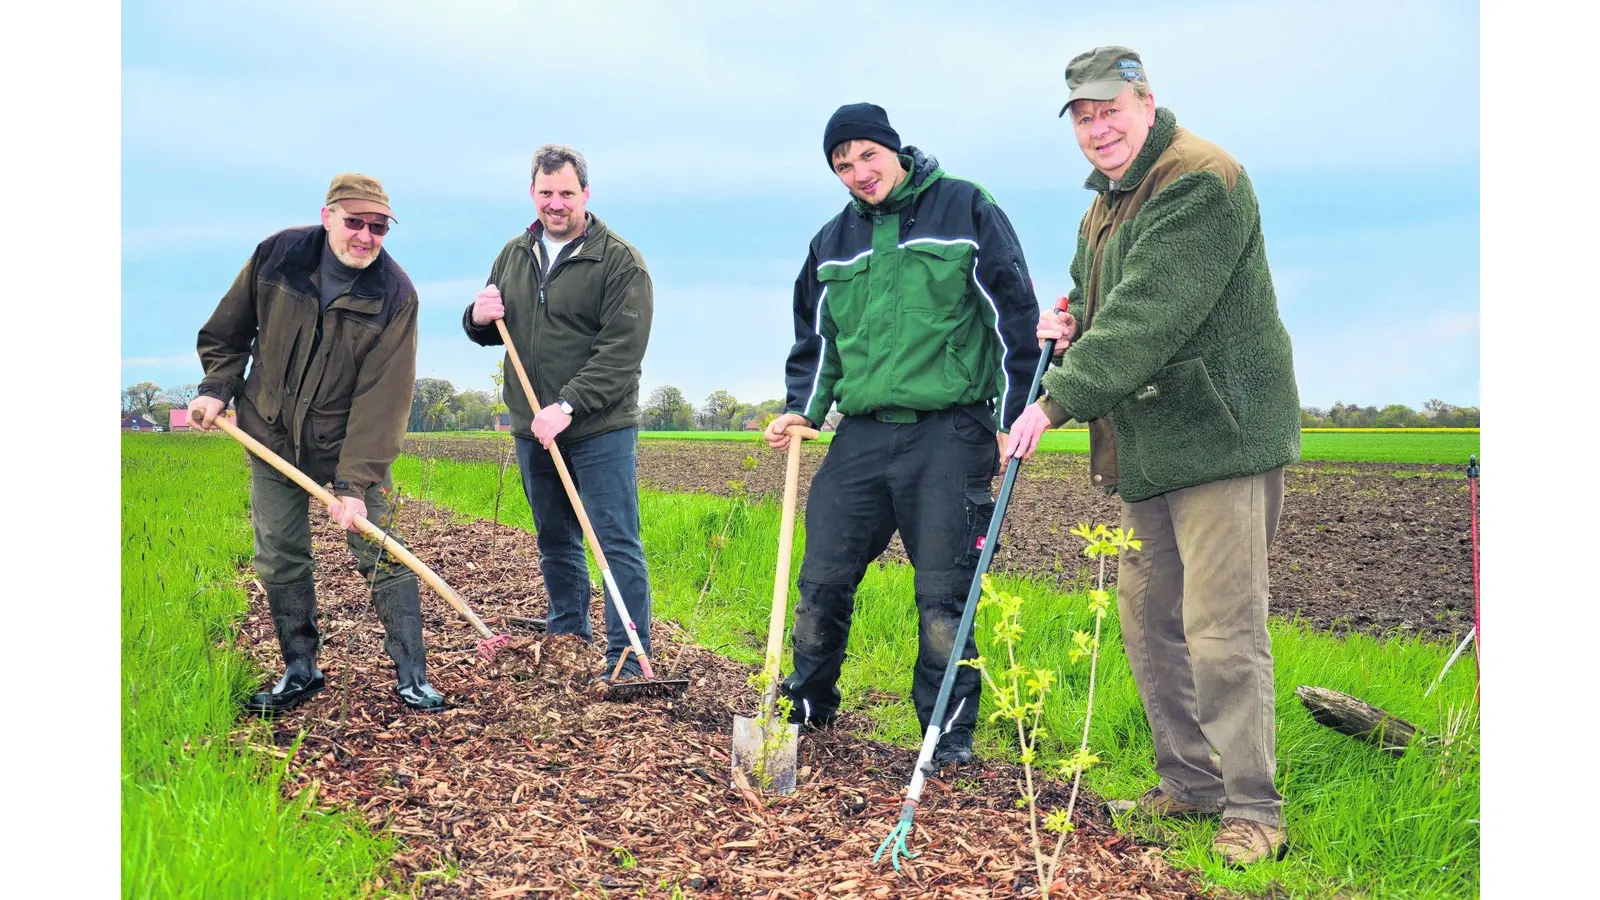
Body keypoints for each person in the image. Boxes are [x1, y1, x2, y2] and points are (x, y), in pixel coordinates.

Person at [1006, 47, 1302, 866]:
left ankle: (1254, 809)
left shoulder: (1200, 180)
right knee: (1148, 623)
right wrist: (1066, 321)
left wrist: (1054, 401)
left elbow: (1146, 319)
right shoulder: (1106, 200)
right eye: (1082, 115)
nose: (1096, 127)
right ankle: (1189, 785)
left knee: (1221, 629)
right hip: (1148, 441)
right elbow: (1100, 298)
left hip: (1219, 437)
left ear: (1146, 102)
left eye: (1109, 109)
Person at [764, 103, 1043, 766]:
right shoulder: (832, 243)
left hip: (950, 431)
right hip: (861, 436)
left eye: (866, 156)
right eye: (842, 165)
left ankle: (944, 741)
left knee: (945, 599)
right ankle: (803, 709)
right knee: (820, 585)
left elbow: (1015, 316)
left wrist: (1012, 420)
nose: (858, 173)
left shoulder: (965, 209)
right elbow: (816, 340)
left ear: (894, 149)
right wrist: (804, 408)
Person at [188, 173, 445, 715]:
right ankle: (300, 668)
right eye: (355, 222)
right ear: (327, 216)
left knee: (381, 549)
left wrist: (352, 485)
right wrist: (216, 387)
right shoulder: (277, 257)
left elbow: (385, 400)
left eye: (378, 227)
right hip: (271, 433)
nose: (366, 236)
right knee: (279, 552)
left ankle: (411, 674)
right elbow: (228, 332)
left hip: (348, 440)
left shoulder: (394, 296)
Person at [463, 144, 656, 684]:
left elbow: (622, 351)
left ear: (585, 195)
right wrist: (475, 317)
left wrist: (567, 404)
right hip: (533, 428)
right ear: (532, 194)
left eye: (566, 193)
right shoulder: (513, 254)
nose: (555, 203)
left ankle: (627, 658)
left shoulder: (619, 260)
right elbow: (489, 326)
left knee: (613, 540)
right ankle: (570, 640)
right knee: (555, 539)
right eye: (546, 193)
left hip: (599, 427)